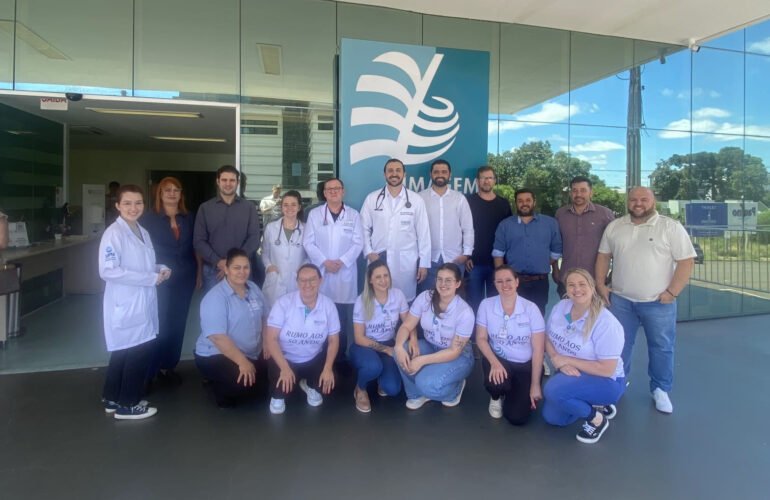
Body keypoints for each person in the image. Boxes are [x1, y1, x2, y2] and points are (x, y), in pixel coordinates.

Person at [595, 187, 695, 414]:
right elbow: (603, 256)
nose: (638, 203)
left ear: (653, 202)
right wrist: (600, 285)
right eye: (633, 199)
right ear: (627, 202)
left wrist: (673, 292)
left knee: (661, 347)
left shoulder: (670, 227)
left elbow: (686, 261)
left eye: (644, 199)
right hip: (621, 301)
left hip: (659, 302)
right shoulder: (615, 226)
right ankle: (616, 385)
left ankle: (660, 389)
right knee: (618, 346)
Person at [98, 185, 171, 420]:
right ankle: (128, 405)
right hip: (127, 302)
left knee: (123, 351)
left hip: (140, 300)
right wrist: (149, 278)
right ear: (117, 206)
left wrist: (160, 269)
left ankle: (112, 397)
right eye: (127, 203)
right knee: (137, 351)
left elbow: (143, 264)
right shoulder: (114, 233)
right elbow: (108, 270)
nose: (133, 208)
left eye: (138, 203)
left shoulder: (142, 231)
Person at [542, 268, 626, 444]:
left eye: (582, 284)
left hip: (606, 380)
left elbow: (606, 369)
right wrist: (557, 360)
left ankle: (597, 419)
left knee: (552, 390)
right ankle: (593, 402)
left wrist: (566, 360)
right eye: (571, 285)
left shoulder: (606, 323)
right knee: (553, 418)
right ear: (566, 288)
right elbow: (546, 337)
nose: (577, 289)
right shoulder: (561, 307)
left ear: (592, 287)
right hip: (570, 372)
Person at [141, 177, 201, 386]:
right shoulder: (148, 219)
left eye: (176, 190)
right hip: (160, 279)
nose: (172, 193)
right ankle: (150, 371)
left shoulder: (189, 218)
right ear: (160, 194)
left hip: (185, 277)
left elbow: (196, 247)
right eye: (167, 190)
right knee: (159, 324)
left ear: (181, 194)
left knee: (178, 323)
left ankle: (168, 367)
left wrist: (199, 273)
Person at [394, 263, 475, 409]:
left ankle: (455, 390)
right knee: (400, 352)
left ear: (457, 283)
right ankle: (416, 394)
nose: (443, 284)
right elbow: (407, 326)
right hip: (431, 345)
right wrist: (399, 346)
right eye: (440, 279)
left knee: (425, 382)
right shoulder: (425, 297)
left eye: (448, 280)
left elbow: (454, 351)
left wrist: (421, 361)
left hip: (458, 355)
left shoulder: (465, 312)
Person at [194, 248, 267, 408]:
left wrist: (267, 344)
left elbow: (264, 318)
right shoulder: (215, 297)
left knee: (265, 386)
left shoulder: (253, 288)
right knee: (240, 386)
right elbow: (217, 337)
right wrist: (242, 362)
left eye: (246, 267)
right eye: (236, 268)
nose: (242, 272)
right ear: (226, 269)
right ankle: (215, 387)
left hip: (250, 352)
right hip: (216, 353)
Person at [264, 264, 340, 414]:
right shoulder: (283, 303)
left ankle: (308, 384)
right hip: (286, 358)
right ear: (297, 282)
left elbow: (333, 340)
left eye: (312, 279)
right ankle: (280, 391)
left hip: (313, 357)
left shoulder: (328, 305)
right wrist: (284, 368)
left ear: (320, 281)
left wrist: (328, 368)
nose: (307, 284)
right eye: (303, 280)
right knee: (282, 390)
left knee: (329, 382)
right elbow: (271, 339)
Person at [303, 178, 363, 367]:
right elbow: (308, 242)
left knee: (341, 320)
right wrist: (324, 262)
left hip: (344, 274)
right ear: (324, 193)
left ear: (343, 191)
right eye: (329, 189)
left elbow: (358, 243)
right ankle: (318, 359)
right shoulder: (314, 215)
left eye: (337, 188)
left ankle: (339, 361)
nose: (333, 191)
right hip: (322, 273)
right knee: (320, 317)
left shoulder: (353, 215)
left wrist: (342, 262)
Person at [475, 265, 545, 425]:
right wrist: (495, 363)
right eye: (499, 281)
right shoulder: (486, 305)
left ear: (517, 282)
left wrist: (535, 385)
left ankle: (515, 390)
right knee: (496, 384)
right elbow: (481, 338)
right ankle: (496, 396)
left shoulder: (531, 309)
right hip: (499, 359)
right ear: (494, 284)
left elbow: (539, 349)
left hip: (524, 364)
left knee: (517, 418)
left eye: (509, 280)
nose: (504, 285)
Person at [360, 158, 431, 302]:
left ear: (404, 174)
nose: (394, 174)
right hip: (378, 257)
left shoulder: (416, 200)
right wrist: (368, 252)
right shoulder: (372, 199)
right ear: (384, 174)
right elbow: (363, 227)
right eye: (390, 170)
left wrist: (424, 263)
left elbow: (424, 234)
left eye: (398, 170)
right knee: (378, 300)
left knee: (404, 301)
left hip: (405, 260)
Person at [350, 260, 414, 413]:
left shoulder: (397, 295)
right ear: (370, 280)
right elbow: (359, 338)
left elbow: (409, 322)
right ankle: (361, 388)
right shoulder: (362, 300)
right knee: (373, 366)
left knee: (392, 389)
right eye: (378, 277)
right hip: (364, 346)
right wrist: (386, 350)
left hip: (389, 343)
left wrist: (413, 340)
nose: (383, 280)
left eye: (386, 275)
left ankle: (380, 377)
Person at [492, 188, 562, 316]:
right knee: (513, 316)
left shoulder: (550, 223)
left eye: (528, 200)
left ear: (534, 202)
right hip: (515, 282)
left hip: (540, 282)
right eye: (520, 201)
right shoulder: (505, 225)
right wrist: (501, 278)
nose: (524, 203)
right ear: (516, 203)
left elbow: (556, 251)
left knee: (538, 316)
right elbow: (498, 254)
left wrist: (541, 262)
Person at [194, 165, 261, 292]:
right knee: (215, 305)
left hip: (241, 270)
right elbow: (199, 241)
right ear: (218, 181)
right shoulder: (205, 208)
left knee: (242, 304)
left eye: (232, 180)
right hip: (214, 271)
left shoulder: (249, 207)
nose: (228, 184)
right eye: (224, 180)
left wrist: (233, 264)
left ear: (237, 182)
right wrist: (219, 262)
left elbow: (254, 238)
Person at [418, 159, 474, 293]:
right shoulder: (420, 198)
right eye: (436, 172)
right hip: (428, 260)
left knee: (453, 299)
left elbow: (468, 228)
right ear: (431, 174)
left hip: (455, 259)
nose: (440, 175)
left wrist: (466, 254)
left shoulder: (459, 198)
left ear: (450, 174)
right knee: (428, 298)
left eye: (444, 172)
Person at [555, 176, 614, 297]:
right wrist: (555, 270)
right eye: (574, 190)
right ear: (570, 193)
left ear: (591, 192)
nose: (578, 194)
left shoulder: (605, 214)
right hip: (567, 279)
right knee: (567, 309)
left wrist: (612, 274)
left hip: (595, 280)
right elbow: (554, 245)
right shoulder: (561, 214)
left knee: (595, 310)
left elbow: (615, 247)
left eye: (583, 190)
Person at [465, 166, 512, 312]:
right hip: (474, 264)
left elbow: (509, 234)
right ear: (477, 181)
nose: (487, 181)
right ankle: (474, 328)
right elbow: (460, 230)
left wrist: (506, 262)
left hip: (497, 264)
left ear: (494, 181)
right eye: (483, 178)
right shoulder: (467, 202)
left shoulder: (503, 204)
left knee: (496, 306)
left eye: (490, 178)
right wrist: (466, 256)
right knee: (474, 305)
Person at [261, 190, 307, 307]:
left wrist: (304, 266)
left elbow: (310, 255)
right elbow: (264, 253)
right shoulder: (271, 228)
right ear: (281, 207)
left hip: (297, 279)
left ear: (299, 207)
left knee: (295, 312)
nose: (289, 208)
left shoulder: (306, 229)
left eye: (293, 204)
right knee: (273, 313)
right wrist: (269, 266)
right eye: (285, 205)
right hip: (275, 280)